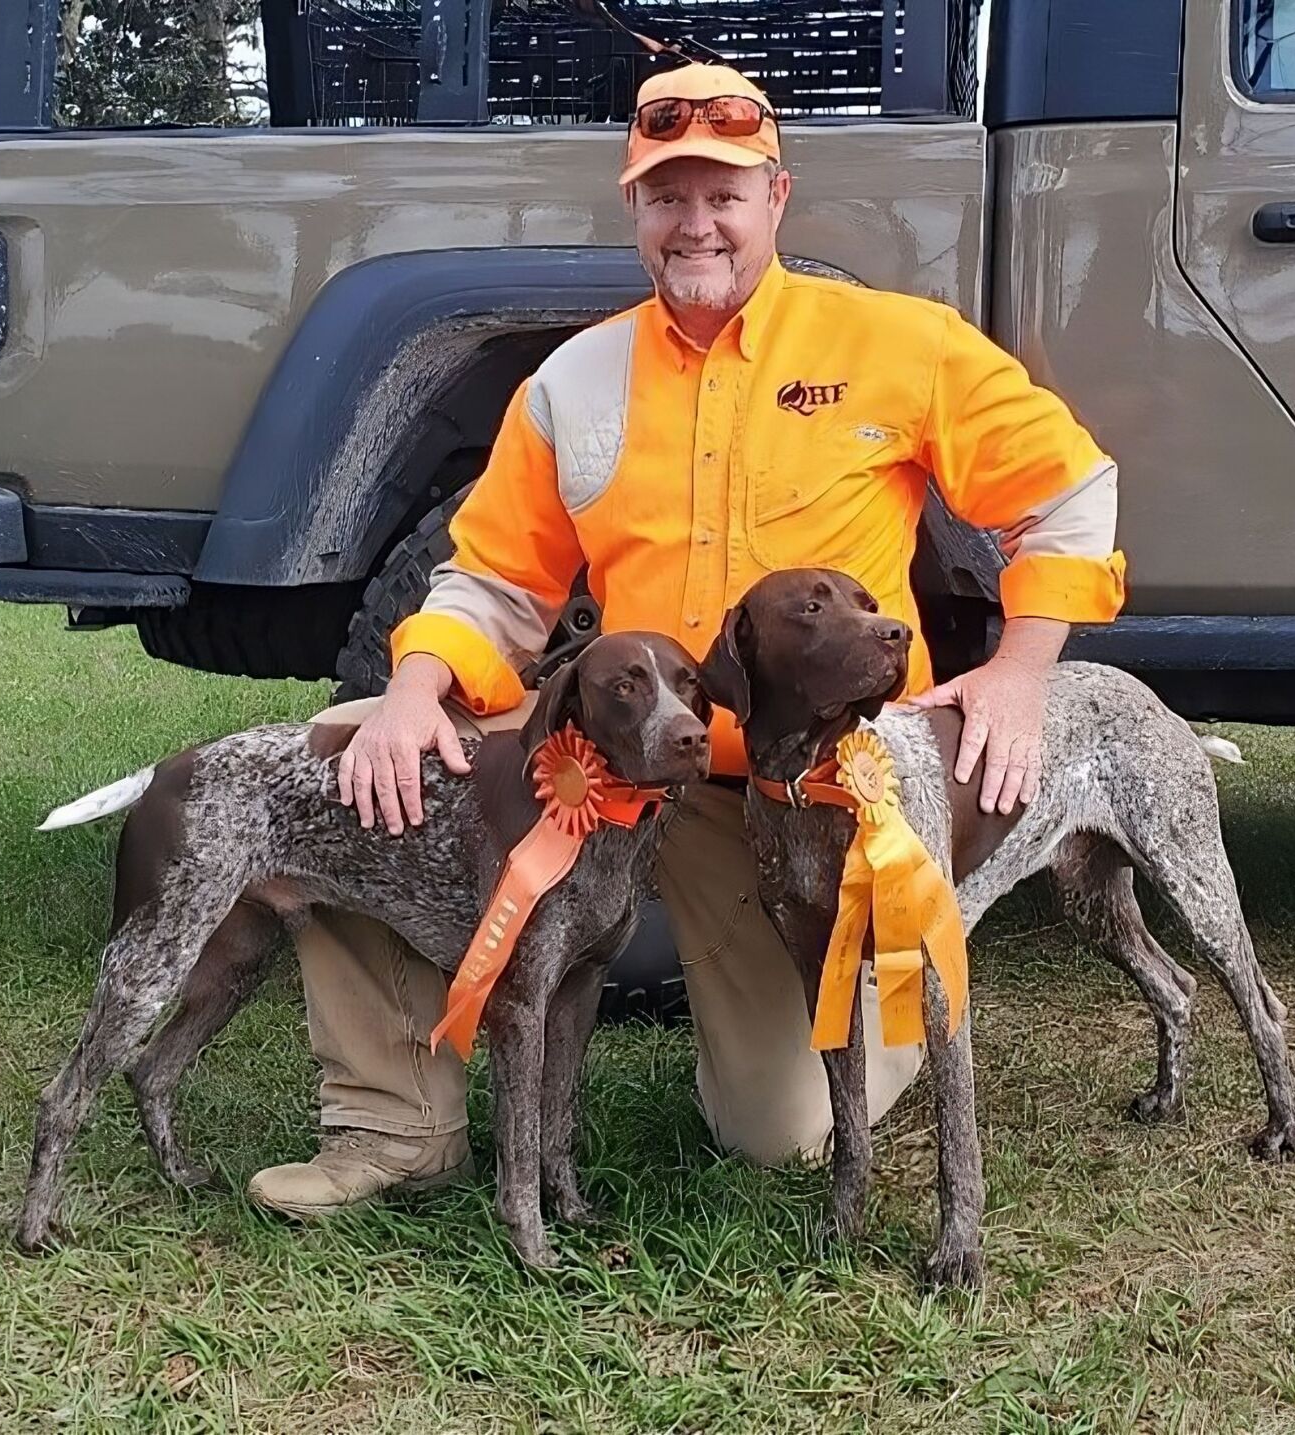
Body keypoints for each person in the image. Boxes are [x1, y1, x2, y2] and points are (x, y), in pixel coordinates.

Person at [245, 62, 1126, 1219]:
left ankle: (876, 1013)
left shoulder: (899, 343)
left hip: (802, 789)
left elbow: (1069, 492)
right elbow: (495, 576)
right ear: (635, 208)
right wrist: (413, 686)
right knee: (359, 749)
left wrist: (1020, 669)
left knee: (780, 1134)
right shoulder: (575, 379)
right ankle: (392, 1124)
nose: (695, 222)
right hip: (611, 760)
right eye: (668, 196)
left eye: (724, 194)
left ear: (777, 198)